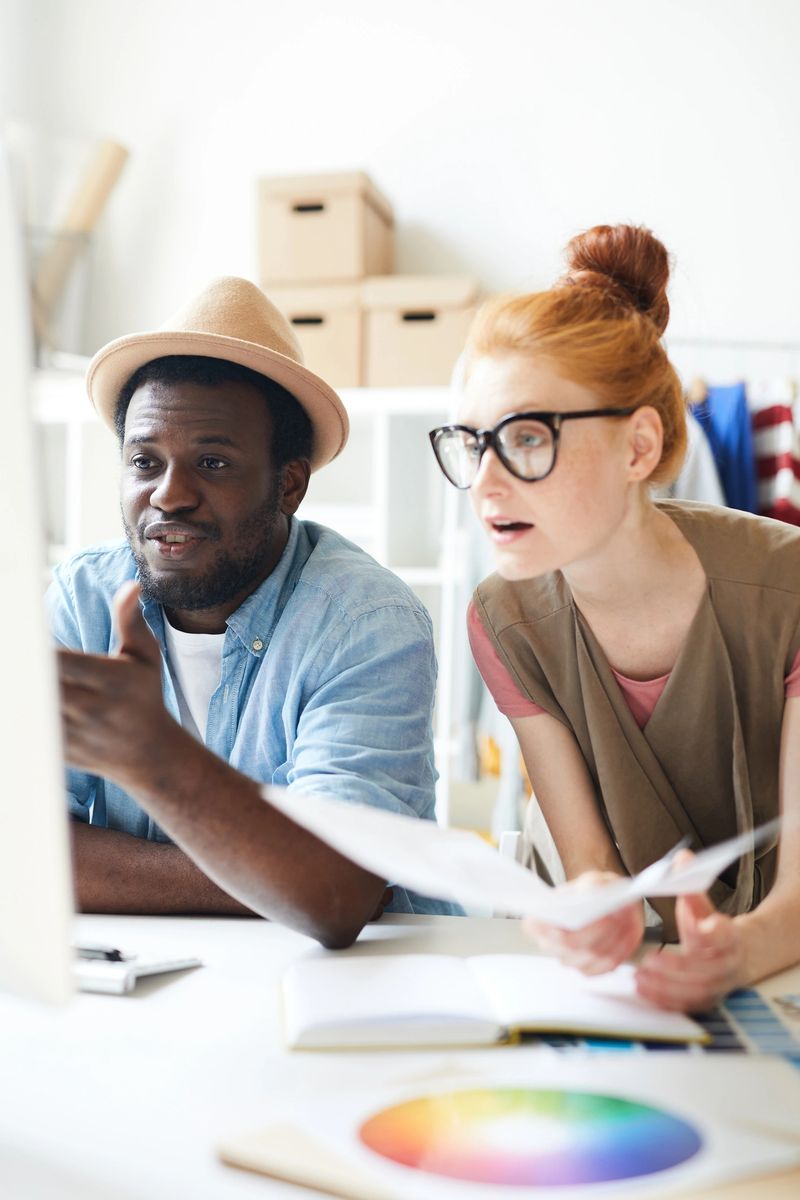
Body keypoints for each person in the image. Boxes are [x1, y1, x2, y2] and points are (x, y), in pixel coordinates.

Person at [429, 224, 800, 1011]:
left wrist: (736, 954)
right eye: (473, 442)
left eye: (527, 438)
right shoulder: (503, 619)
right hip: (631, 985)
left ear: (638, 447)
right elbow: (591, 864)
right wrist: (595, 914)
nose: (486, 482)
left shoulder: (788, 588)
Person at [52, 275, 457, 948]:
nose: (169, 495)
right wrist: (271, 876)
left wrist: (152, 756)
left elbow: (334, 896)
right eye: (145, 461)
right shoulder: (82, 599)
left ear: (289, 484)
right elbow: (22, 849)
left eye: (212, 462)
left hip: (365, 985)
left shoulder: (367, 622)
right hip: (160, 977)